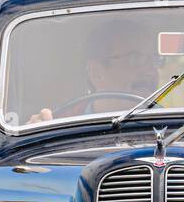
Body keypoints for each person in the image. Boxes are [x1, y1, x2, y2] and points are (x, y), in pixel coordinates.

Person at [26, 19, 162, 124]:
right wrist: (34, 134)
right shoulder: (60, 124)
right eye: (135, 59)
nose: (151, 71)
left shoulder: (174, 126)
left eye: (154, 59)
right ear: (96, 72)